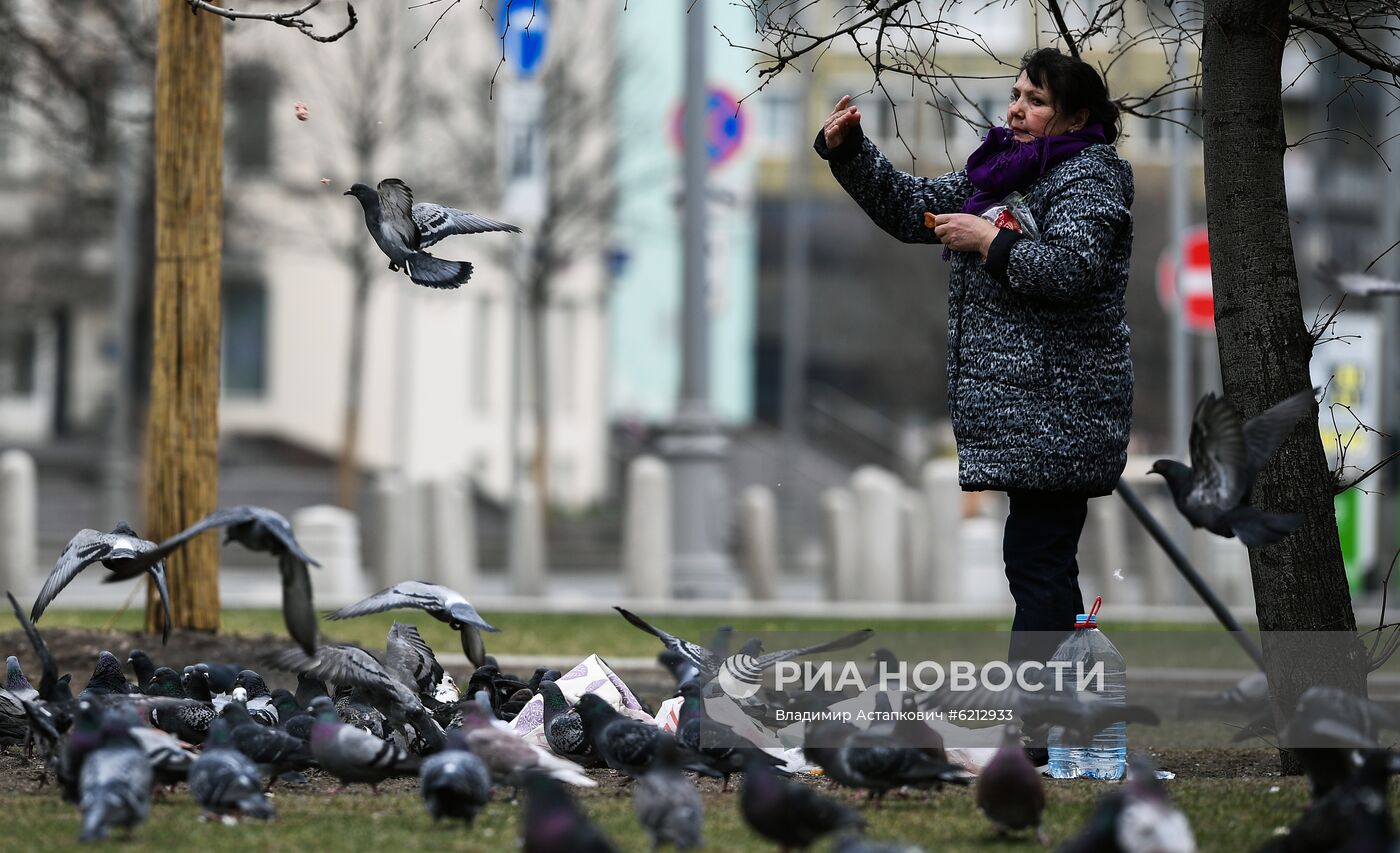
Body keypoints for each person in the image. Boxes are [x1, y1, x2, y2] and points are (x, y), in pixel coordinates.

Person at [814, 48, 1135, 678]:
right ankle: (1051, 717)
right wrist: (850, 151)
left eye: (1036, 101)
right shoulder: (1006, 171)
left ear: (1076, 118)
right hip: (1029, 412)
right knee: (1038, 563)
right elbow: (918, 210)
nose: (1016, 108)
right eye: (1016, 95)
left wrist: (990, 240)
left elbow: (1075, 270)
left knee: (1038, 564)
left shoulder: (1089, 177)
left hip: (1063, 409)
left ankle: (1043, 723)